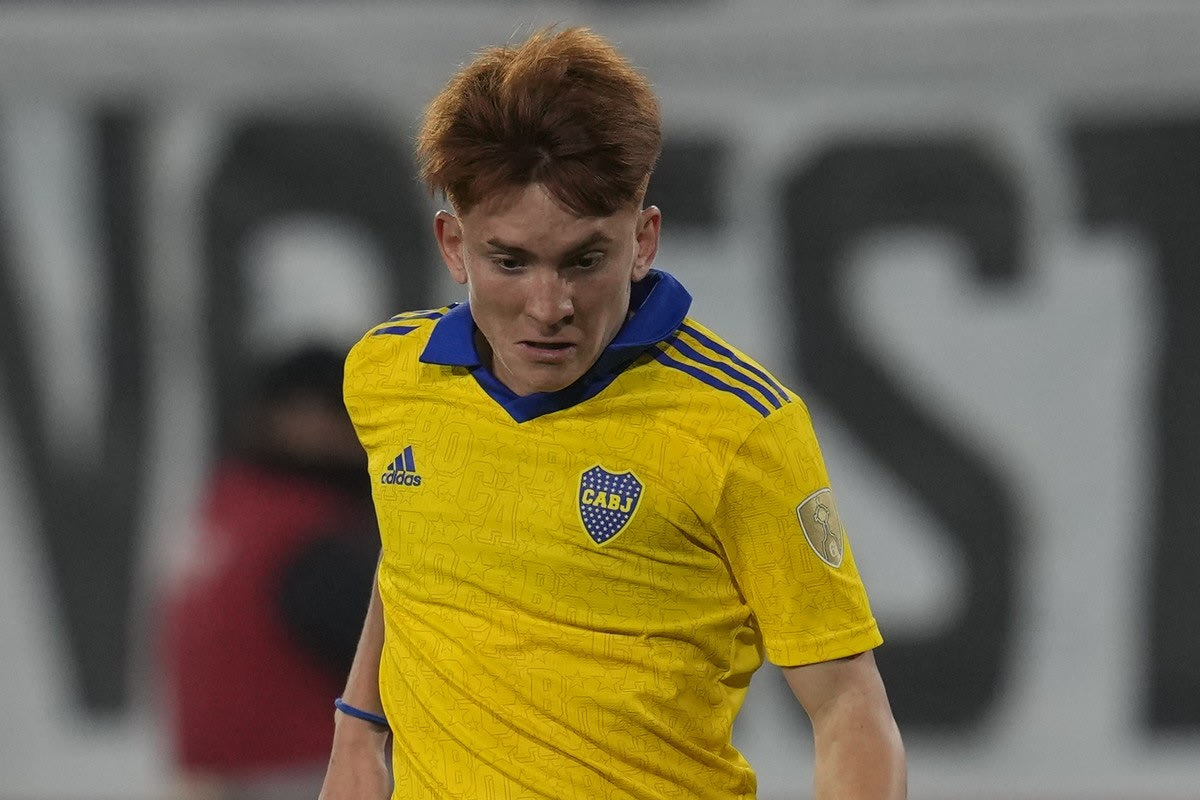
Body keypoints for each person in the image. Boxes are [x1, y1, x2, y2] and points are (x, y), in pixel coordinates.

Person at [320, 26, 905, 800]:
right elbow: (411, 558)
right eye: (510, 261)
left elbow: (847, 706)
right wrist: (359, 732)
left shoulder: (738, 427)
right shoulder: (387, 374)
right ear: (454, 246)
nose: (549, 306)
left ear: (643, 240)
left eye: (584, 260)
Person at [160, 344, 378, 800]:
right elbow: (380, 658)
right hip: (304, 772)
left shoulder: (230, 502)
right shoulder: (309, 527)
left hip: (216, 778)